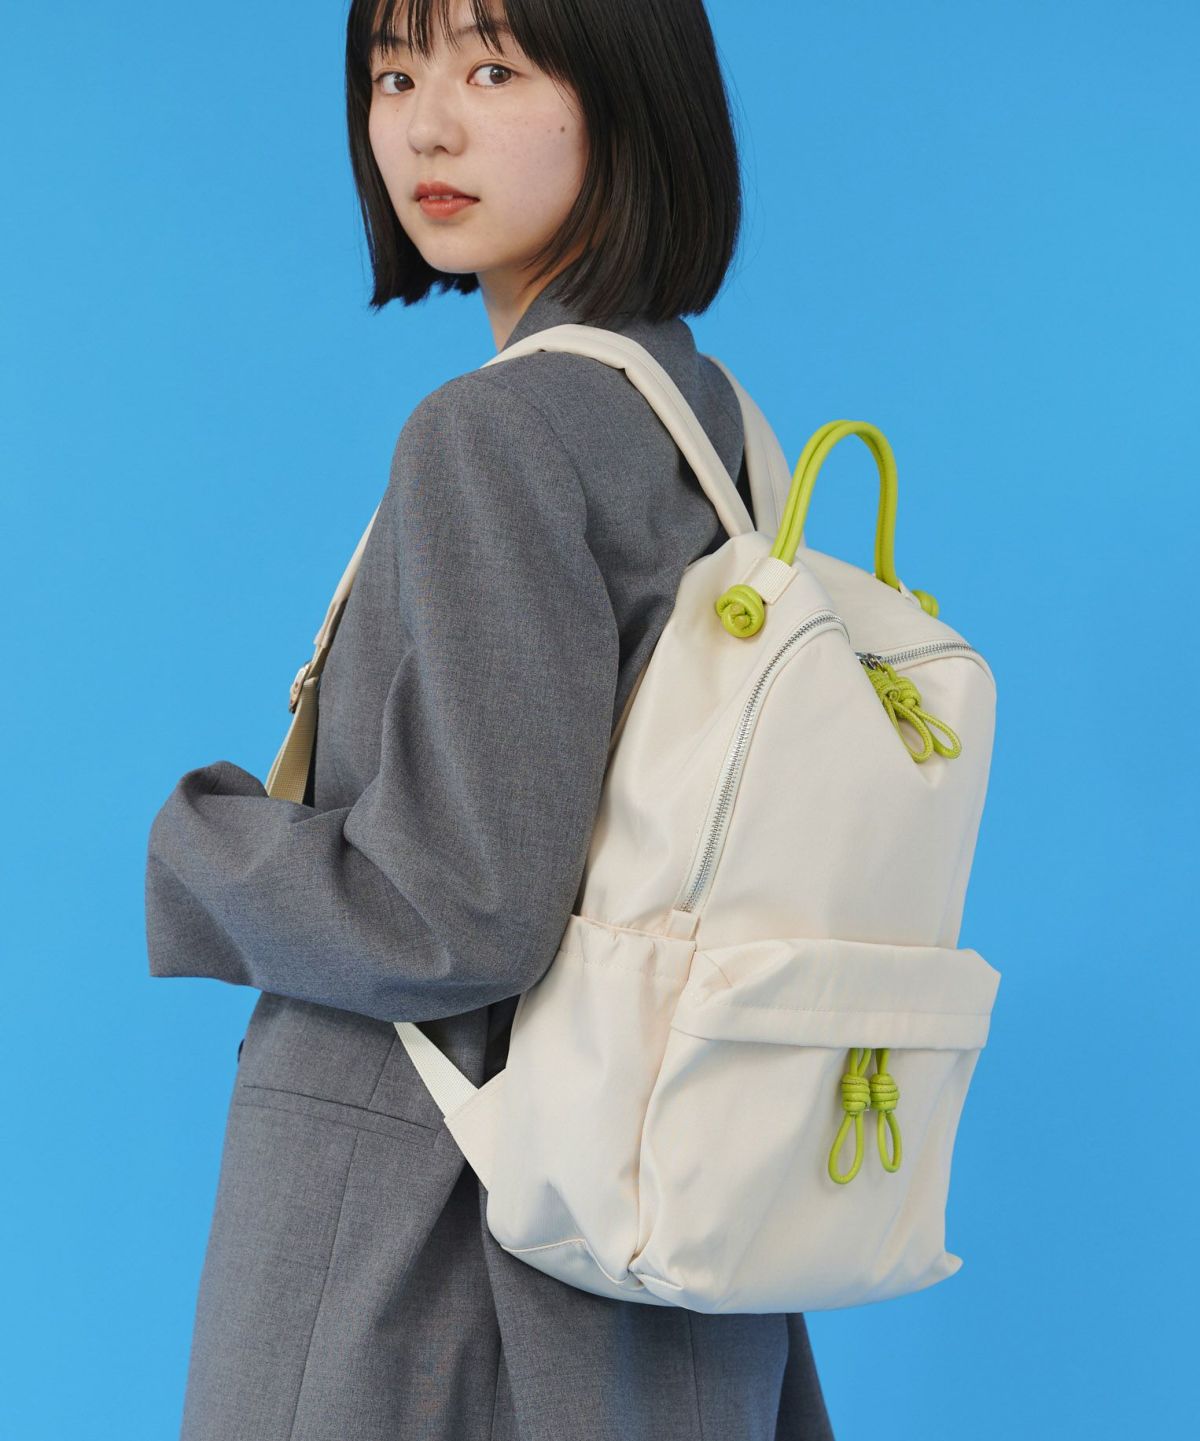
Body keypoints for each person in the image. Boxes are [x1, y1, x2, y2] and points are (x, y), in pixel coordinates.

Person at [143, 0, 835, 1436]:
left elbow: (457, 911)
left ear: (628, 97)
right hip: (661, 1234)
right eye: (395, 73)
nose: (427, 126)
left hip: (421, 1251)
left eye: (493, 69)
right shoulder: (718, 430)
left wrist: (202, 849)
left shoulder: (495, 430)